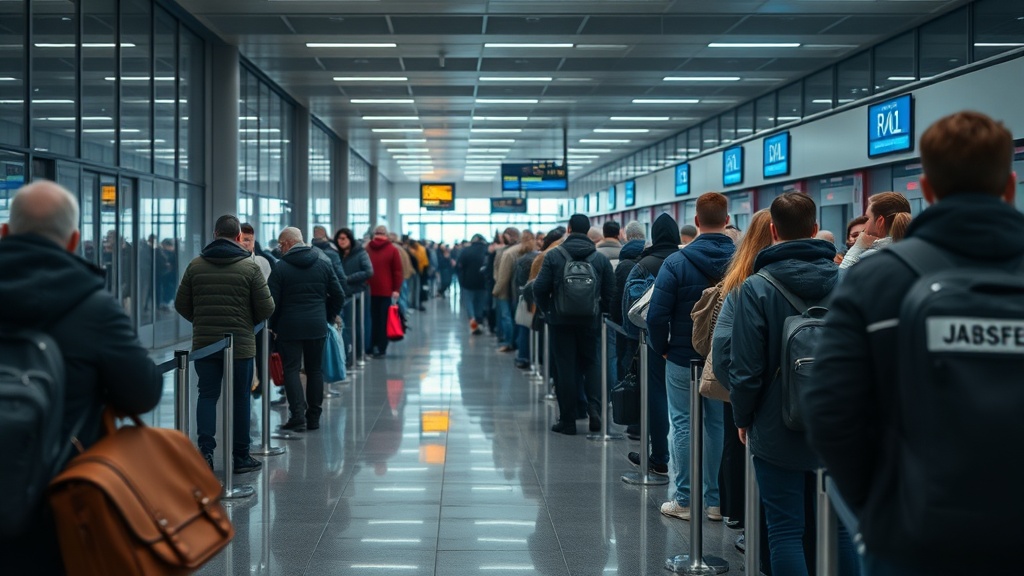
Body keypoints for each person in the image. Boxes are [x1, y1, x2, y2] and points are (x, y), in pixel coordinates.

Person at [805, 111, 1024, 575]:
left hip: (914, 533)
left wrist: (879, 507)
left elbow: (829, 410)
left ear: (926, 189)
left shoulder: (874, 280)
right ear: (1009, 185)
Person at [0, 180, 162, 576]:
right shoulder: (95, 307)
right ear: (74, 240)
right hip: (62, 500)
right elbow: (143, 393)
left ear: (5, 231)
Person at [726, 193, 858, 576]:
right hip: (840, 425)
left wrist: (743, 416)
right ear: (816, 230)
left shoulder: (756, 288)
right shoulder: (849, 281)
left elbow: (745, 366)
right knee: (842, 529)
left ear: (772, 230)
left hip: (775, 422)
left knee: (784, 530)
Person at [647, 193, 736, 522]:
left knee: (682, 424)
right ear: (727, 220)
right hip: (724, 360)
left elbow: (657, 316)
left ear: (697, 222)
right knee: (716, 425)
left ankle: (684, 498)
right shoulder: (742, 260)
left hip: (682, 357)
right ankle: (714, 501)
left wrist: (663, 347)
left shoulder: (676, 262)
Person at [176, 214, 275, 473]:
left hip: (205, 345)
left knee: (207, 395)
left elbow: (181, 304)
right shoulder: (250, 267)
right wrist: (245, 322)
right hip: (241, 345)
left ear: (214, 234)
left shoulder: (195, 265)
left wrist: (201, 321)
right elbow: (267, 308)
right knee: (241, 398)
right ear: (239, 237)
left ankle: (205, 454)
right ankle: (240, 457)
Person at [711, 208, 773, 550]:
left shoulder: (739, 280)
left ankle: (740, 514)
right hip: (805, 394)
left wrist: (740, 395)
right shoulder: (831, 275)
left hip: (748, 389)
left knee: (739, 450)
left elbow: (723, 348)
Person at [533, 214, 615, 435]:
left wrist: (547, 310)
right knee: (592, 364)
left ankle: (567, 420)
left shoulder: (554, 257)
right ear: (588, 232)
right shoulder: (599, 259)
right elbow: (610, 293)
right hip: (591, 321)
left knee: (565, 368)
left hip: (560, 321)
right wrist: (602, 311)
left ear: (568, 229)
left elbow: (538, 288)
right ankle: (595, 410)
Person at [268, 227, 344, 432]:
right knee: (314, 370)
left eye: (281, 244)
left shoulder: (281, 268)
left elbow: (272, 303)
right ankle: (314, 418)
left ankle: (298, 416)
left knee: (291, 370)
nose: (280, 248)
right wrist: (326, 315)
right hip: (316, 325)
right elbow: (338, 295)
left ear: (289, 243)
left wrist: (273, 326)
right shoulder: (323, 263)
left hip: (289, 327)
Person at [625, 213, 680, 475]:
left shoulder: (644, 264)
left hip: (656, 340)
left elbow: (633, 308)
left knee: (657, 395)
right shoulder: (685, 260)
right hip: (691, 339)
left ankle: (659, 455)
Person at [612, 220, 646, 439]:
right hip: (649, 330)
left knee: (629, 372)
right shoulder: (655, 261)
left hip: (627, 331)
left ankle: (633, 423)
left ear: (626, 236)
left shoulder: (624, 265)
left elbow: (615, 300)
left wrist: (618, 323)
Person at [840, 192, 911, 269]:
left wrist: (856, 249)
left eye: (868, 218)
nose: (866, 224)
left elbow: (841, 279)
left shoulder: (869, 258)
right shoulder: (913, 250)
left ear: (880, 221)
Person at [335, 227, 374, 366]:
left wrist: (348, 278)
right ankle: (348, 354)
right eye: (339, 238)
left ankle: (358, 353)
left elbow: (369, 271)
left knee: (358, 324)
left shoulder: (360, 253)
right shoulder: (337, 254)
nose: (342, 241)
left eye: (344, 238)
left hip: (358, 294)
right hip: (343, 294)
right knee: (345, 326)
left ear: (350, 239)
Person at [366, 226, 404, 357]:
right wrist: (396, 289)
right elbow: (397, 272)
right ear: (386, 235)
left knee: (371, 320)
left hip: (368, 290)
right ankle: (381, 347)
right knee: (383, 321)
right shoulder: (393, 250)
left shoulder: (367, 248)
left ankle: (370, 345)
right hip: (386, 291)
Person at [492, 227, 521, 350]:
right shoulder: (521, 250)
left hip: (504, 290)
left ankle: (508, 342)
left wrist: (496, 291)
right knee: (515, 317)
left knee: (506, 316)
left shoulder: (507, 253)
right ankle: (514, 341)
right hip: (516, 289)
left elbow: (502, 275)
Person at [456, 234, 490, 335]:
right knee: (480, 303)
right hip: (482, 282)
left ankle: (473, 323)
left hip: (468, 282)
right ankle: (479, 321)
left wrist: (461, 280)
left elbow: (460, 266)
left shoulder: (466, 251)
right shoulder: (486, 250)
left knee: (469, 303)